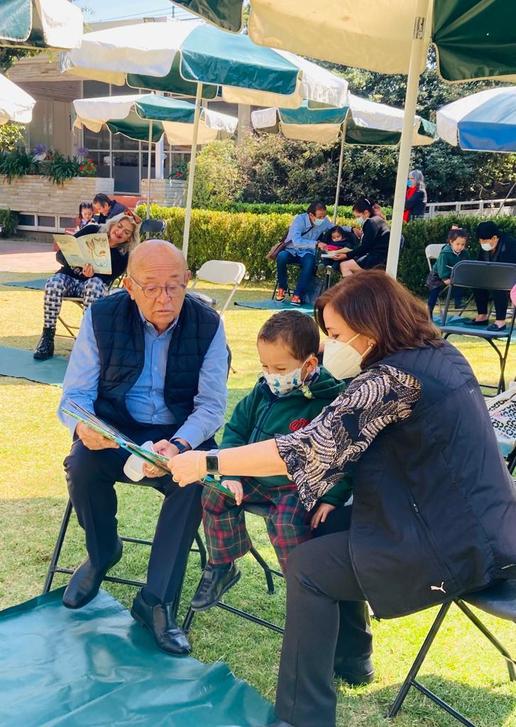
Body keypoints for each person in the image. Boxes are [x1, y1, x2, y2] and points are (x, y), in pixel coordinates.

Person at [168, 270, 516, 727]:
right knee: (325, 527)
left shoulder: (391, 381)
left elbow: (309, 448)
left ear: (370, 327)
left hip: (453, 544)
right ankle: (353, 658)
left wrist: (210, 462)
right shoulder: (439, 353)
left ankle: (302, 717)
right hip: (475, 524)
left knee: (309, 568)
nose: (330, 345)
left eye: (335, 335)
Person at [57, 240, 228, 657]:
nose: (163, 298)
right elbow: (74, 397)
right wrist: (84, 426)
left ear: (187, 281)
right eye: (151, 287)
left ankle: (156, 601)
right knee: (81, 463)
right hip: (117, 428)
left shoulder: (208, 323)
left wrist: (180, 444)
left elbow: (211, 406)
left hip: (180, 432)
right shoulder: (101, 316)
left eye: (174, 286)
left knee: (195, 481)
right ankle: (102, 553)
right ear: (130, 286)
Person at [190, 310, 351, 612]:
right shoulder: (263, 390)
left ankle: (302, 589)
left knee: (286, 523)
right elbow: (236, 429)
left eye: (280, 368)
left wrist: (332, 498)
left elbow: (344, 457)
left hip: (296, 486)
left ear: (309, 365)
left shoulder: (330, 402)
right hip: (254, 476)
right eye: (265, 366)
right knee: (215, 492)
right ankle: (222, 564)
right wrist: (230, 473)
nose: (271, 375)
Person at [33, 212, 140, 361]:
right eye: (119, 226)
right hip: (69, 278)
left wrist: (93, 274)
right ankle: (47, 337)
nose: (120, 232)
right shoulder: (92, 230)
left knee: (94, 284)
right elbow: (60, 255)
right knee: (53, 283)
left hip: (93, 288)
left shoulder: (123, 255)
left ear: (129, 238)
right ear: (112, 224)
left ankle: (85, 339)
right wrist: (77, 263)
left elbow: (108, 279)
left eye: (126, 232)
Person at [276, 201, 333, 305]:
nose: (322, 219)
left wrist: (351, 229)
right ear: (311, 215)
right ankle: (282, 287)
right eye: (320, 217)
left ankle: (297, 294)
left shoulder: (324, 221)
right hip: (291, 250)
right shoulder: (299, 220)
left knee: (310, 262)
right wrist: (316, 243)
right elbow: (297, 241)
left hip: (307, 252)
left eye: (324, 216)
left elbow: (335, 228)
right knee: (281, 257)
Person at [467, 221, 516, 331]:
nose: (482, 243)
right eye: (480, 241)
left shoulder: (510, 244)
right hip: (493, 276)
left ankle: (500, 321)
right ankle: (482, 315)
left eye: (484, 241)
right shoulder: (485, 248)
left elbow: (509, 268)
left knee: (498, 285)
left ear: (494, 238)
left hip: (509, 277)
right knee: (476, 283)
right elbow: (480, 264)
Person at [334, 197, 390, 276]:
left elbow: (365, 247)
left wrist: (346, 255)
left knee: (344, 266)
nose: (357, 219)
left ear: (366, 212)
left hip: (375, 259)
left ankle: (353, 284)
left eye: (358, 216)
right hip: (381, 258)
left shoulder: (370, 222)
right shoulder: (378, 220)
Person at [427, 227, 470, 318]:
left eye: (463, 244)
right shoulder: (445, 253)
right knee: (434, 291)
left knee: (459, 283)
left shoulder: (464, 253)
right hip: (437, 276)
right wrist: (444, 278)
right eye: (457, 244)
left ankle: (458, 302)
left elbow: (467, 265)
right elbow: (441, 268)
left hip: (453, 275)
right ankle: (429, 311)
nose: (460, 247)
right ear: (451, 242)